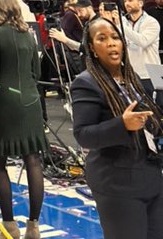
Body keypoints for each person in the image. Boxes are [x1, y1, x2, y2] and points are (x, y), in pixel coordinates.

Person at [70, 15, 163, 239]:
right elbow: (83, 135)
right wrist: (121, 124)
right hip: (117, 184)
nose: (111, 42)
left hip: (150, 177)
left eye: (115, 37)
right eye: (102, 38)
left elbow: (150, 122)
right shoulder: (86, 83)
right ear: (92, 48)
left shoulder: (131, 79)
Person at [0, 0, 47, 239]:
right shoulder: (29, 35)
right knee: (33, 160)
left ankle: (9, 225)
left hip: (6, 103)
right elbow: (36, 71)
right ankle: (34, 226)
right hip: (31, 102)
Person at [105, 0, 162, 103]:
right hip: (132, 71)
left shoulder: (151, 22)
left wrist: (120, 25)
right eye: (125, 1)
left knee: (159, 107)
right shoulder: (124, 22)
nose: (127, 3)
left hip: (152, 71)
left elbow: (143, 41)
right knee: (139, 108)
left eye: (130, 0)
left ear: (140, 3)